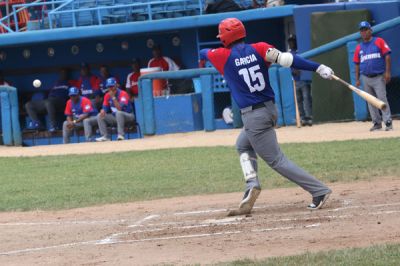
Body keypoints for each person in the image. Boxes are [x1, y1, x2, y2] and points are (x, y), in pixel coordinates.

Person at [199, 18, 333, 215]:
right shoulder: (261, 48)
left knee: (277, 160)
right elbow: (289, 59)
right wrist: (318, 67)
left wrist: (205, 56)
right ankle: (251, 184)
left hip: (254, 116)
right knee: (243, 144)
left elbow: (203, 53)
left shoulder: (221, 55)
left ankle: (318, 190)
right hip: (269, 110)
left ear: (225, 38)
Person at [353, 21, 393, 131]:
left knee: (382, 99)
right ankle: (376, 123)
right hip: (365, 77)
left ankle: (388, 122)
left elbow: (387, 56)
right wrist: (357, 79)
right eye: (362, 30)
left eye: (366, 29)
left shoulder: (379, 41)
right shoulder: (359, 47)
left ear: (371, 30)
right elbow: (356, 63)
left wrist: (388, 72)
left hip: (378, 76)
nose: (364, 32)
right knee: (370, 101)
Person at [96, 77, 135, 141]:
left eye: (112, 86)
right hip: (115, 117)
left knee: (119, 113)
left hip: (128, 116)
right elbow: (105, 109)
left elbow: (119, 109)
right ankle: (105, 136)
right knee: (100, 116)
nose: (111, 89)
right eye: (109, 87)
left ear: (116, 86)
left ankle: (120, 135)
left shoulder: (123, 93)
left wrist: (113, 97)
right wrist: (102, 111)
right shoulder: (107, 95)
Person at [288, 34, 313, 126]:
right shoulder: (289, 53)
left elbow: (305, 64)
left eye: (292, 41)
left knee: (306, 98)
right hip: (295, 80)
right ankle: (302, 118)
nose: (291, 43)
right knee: (298, 100)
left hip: (303, 79)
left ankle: (309, 117)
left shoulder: (300, 51)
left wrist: (299, 69)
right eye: (290, 41)